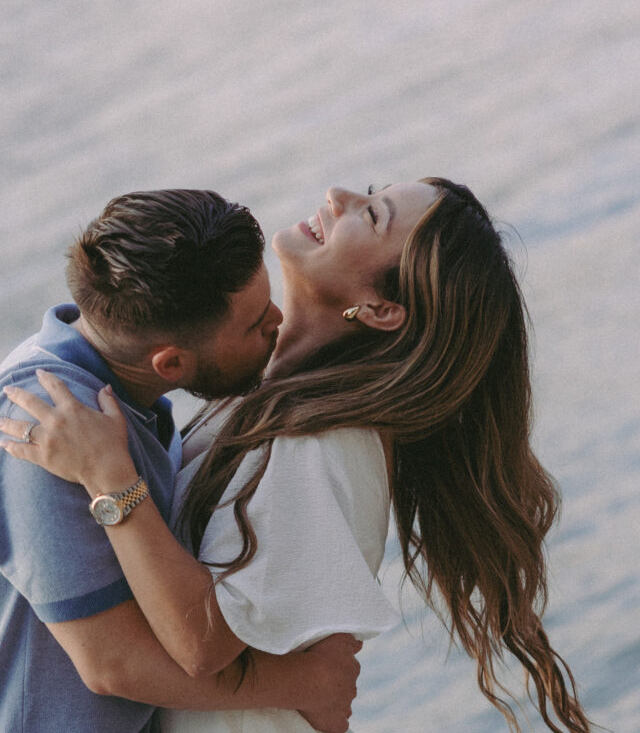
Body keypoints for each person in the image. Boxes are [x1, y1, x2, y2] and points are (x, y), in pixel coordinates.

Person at [1, 179, 593, 733]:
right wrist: (299, 681)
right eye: (368, 191)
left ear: (382, 309)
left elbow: (199, 642)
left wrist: (114, 482)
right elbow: (121, 654)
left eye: (373, 214)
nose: (338, 196)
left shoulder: (317, 442)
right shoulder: (222, 401)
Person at [0, 189, 361, 733]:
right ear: (170, 363)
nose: (278, 319)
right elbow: (110, 663)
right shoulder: (51, 420)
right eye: (254, 323)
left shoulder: (121, 393)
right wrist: (308, 683)